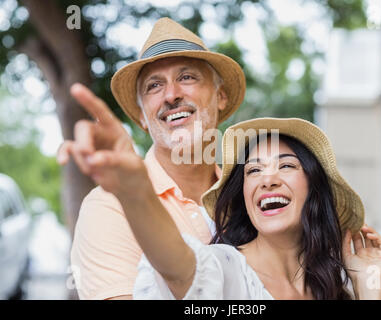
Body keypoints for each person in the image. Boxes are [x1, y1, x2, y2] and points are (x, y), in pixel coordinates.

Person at [63, 104, 381, 298]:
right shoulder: (226, 269)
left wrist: (368, 283)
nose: (268, 178)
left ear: (314, 190)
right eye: (254, 171)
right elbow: (180, 270)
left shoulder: (331, 284)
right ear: (245, 198)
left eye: (286, 165)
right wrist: (135, 191)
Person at [57, 17, 245, 299]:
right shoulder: (110, 206)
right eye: (154, 86)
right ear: (143, 117)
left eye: (186, 77)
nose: (171, 95)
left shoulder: (248, 197)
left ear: (220, 96)